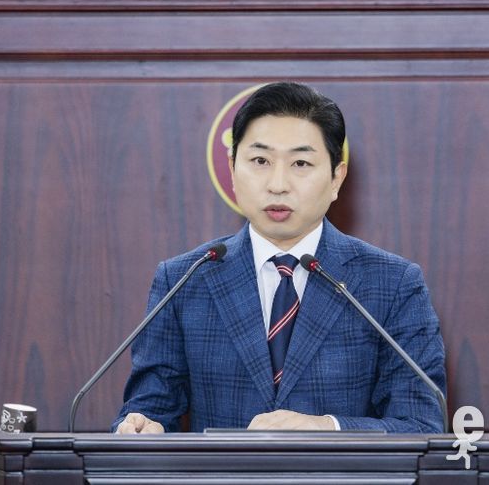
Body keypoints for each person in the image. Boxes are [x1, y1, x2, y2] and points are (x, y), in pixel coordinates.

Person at [113, 82, 446, 434]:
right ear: (233, 169)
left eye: (300, 163)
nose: (277, 184)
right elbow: (150, 409)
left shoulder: (393, 284)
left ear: (336, 178)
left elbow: (422, 425)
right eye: (260, 161)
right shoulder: (184, 279)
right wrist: (141, 428)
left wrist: (328, 430)